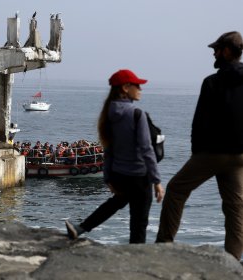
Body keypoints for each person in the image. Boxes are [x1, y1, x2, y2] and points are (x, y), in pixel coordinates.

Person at [156, 31, 243, 261]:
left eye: (216, 49)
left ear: (226, 51)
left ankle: (163, 244)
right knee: (235, 206)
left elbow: (200, 121)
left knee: (175, 190)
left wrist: (197, 154)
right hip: (239, 155)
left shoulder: (212, 82)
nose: (213, 53)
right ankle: (233, 260)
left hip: (212, 152)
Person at [65, 69, 164, 243]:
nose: (140, 89)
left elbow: (109, 150)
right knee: (139, 222)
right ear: (126, 87)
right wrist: (157, 180)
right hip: (139, 175)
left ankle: (80, 228)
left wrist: (108, 177)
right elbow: (146, 149)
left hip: (119, 174)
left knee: (115, 203)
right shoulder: (136, 114)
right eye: (137, 85)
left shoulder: (108, 114)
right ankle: (136, 258)